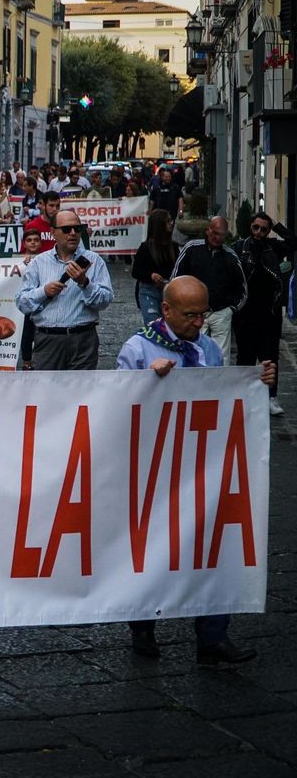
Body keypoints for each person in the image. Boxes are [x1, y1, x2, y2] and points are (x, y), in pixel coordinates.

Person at [118, 275, 272, 666]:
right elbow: (117, 405)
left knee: (213, 549)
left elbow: (221, 396)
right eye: (190, 315)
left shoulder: (206, 348)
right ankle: (143, 627)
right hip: (155, 469)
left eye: (203, 315)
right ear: (166, 310)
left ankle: (213, 636)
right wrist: (144, 381)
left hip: (201, 466)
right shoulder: (137, 347)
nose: (199, 323)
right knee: (152, 552)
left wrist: (255, 382)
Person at [15, 209, 114, 370]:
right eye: (67, 229)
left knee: (81, 392)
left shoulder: (94, 260)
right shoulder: (38, 263)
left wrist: (85, 283)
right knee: (46, 391)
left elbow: (105, 300)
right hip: (48, 341)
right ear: (53, 232)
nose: (73, 233)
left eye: (77, 228)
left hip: (83, 340)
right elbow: (22, 303)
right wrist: (43, 291)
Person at [231, 212, 292, 416]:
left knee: (270, 358)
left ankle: (270, 397)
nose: (259, 232)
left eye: (263, 229)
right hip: (245, 313)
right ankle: (243, 395)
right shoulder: (240, 247)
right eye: (256, 227)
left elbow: (294, 242)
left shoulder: (273, 246)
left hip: (269, 314)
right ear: (251, 226)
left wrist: (276, 225)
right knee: (245, 358)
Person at [168, 216, 243, 361]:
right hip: (193, 312)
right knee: (192, 351)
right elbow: (175, 278)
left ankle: (219, 383)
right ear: (207, 230)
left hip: (220, 312)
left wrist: (231, 309)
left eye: (220, 234)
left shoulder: (231, 257)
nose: (216, 237)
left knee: (222, 357)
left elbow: (242, 288)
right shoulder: (192, 248)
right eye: (214, 233)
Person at [131, 210, 181, 325]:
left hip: (168, 291)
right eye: (168, 221)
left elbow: (178, 270)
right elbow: (136, 271)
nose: (171, 223)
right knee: (153, 327)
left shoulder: (173, 247)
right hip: (149, 291)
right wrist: (151, 275)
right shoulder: (145, 247)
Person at [17, 229, 49, 369]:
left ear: (40, 242)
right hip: (26, 300)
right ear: (24, 243)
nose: (33, 243)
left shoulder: (47, 258)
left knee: (42, 331)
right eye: (29, 240)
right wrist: (22, 264)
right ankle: (27, 361)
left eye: (36, 240)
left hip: (42, 300)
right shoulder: (17, 259)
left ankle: (42, 358)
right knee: (27, 333)